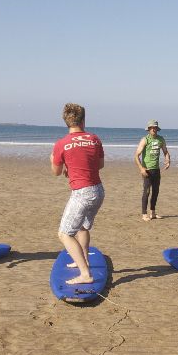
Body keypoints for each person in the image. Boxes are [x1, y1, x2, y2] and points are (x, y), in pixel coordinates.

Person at [50, 103, 105, 285]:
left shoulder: (61, 144)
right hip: (97, 191)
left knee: (64, 234)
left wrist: (54, 159)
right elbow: (99, 165)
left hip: (82, 193)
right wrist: (72, 167)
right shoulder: (94, 139)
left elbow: (56, 172)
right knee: (82, 227)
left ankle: (85, 274)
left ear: (66, 121)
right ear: (83, 120)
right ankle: (85, 260)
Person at [134, 119, 171, 221]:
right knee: (146, 191)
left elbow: (165, 152)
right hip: (147, 170)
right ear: (149, 129)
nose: (153, 129)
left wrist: (168, 160)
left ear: (157, 129)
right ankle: (144, 214)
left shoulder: (161, 139)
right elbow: (136, 155)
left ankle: (153, 213)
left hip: (156, 170)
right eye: (152, 128)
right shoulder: (145, 140)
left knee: (155, 191)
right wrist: (141, 168)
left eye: (155, 127)